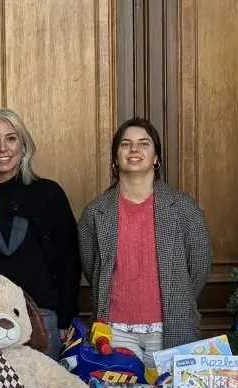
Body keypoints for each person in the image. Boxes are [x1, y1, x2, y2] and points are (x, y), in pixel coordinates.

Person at [78, 117, 212, 366]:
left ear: (156, 157)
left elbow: (200, 266)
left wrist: (178, 298)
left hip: (169, 327)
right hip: (114, 331)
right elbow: (91, 265)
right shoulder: (96, 211)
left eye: (143, 143)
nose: (134, 150)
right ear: (115, 158)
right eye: (125, 144)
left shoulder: (184, 208)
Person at [0, 108, 80, 359]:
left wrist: (65, 319)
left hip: (42, 318)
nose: (3, 148)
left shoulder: (49, 194)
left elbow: (69, 260)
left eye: (11, 138)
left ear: (23, 145)